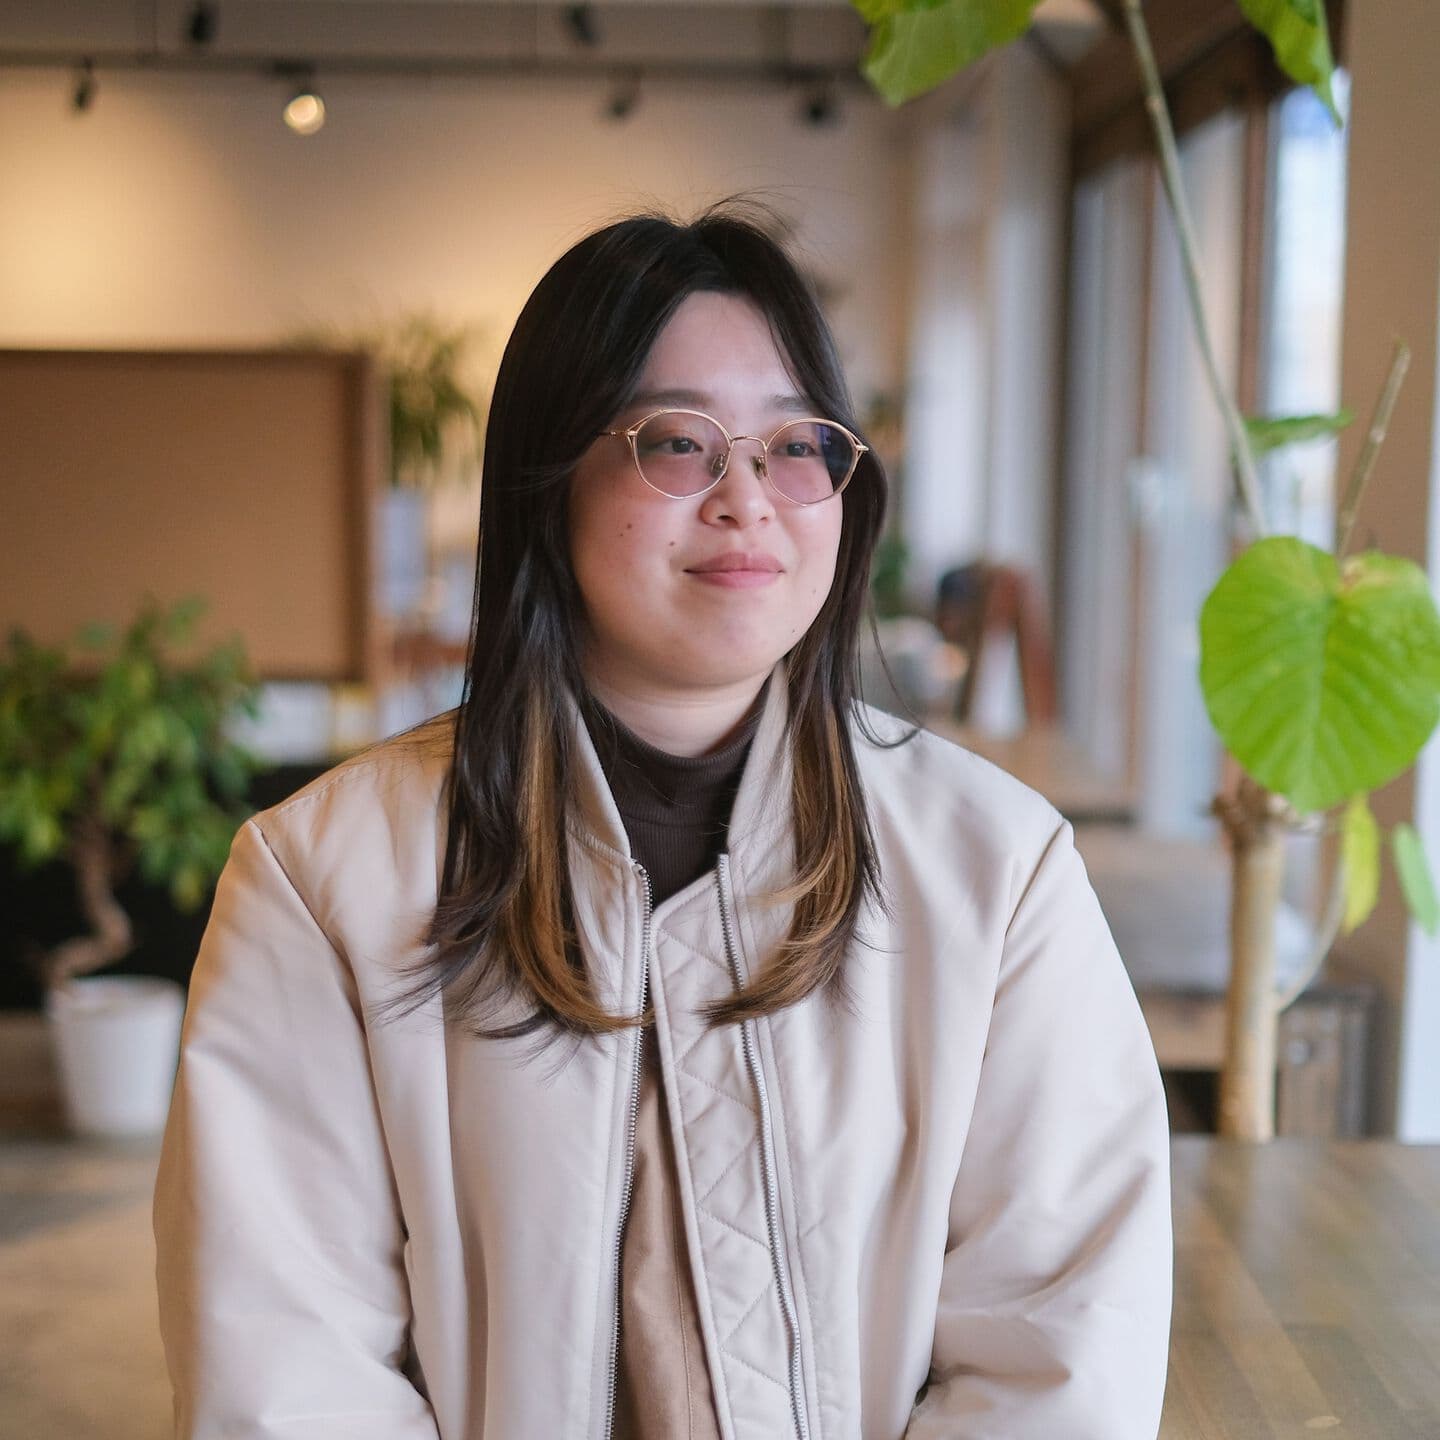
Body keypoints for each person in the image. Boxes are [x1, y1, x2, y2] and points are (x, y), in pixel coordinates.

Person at [153, 205, 1172, 1440]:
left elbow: (1062, 1353)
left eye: (795, 445)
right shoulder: (323, 879)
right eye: (678, 443)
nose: (747, 499)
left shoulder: (997, 869)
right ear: (549, 482)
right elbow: (285, 1372)